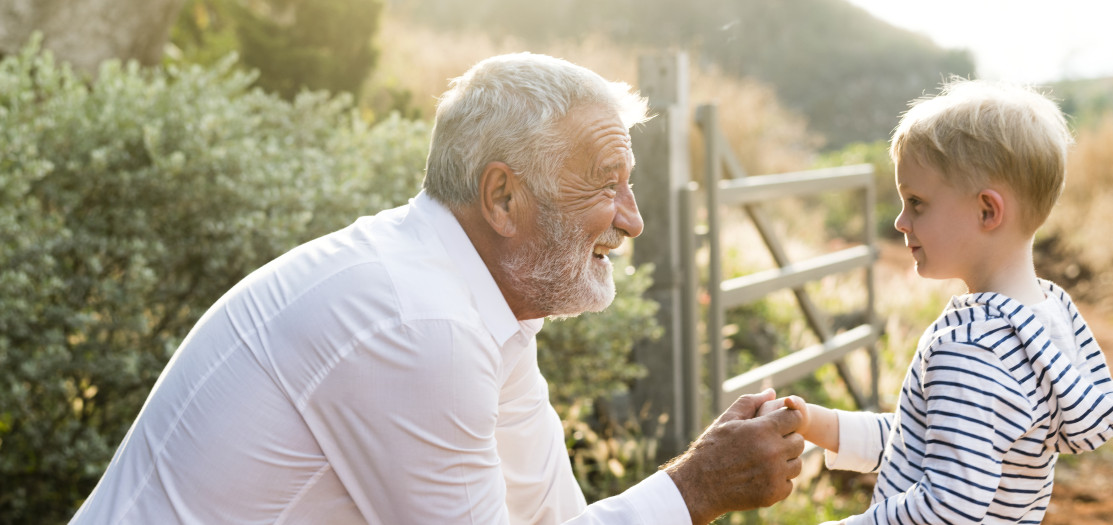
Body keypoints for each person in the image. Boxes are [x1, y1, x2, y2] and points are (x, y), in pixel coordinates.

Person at [69, 53, 806, 525]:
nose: (633, 220)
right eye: (605, 185)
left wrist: (694, 487)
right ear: (503, 198)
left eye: (631, 185)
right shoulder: (418, 322)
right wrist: (695, 488)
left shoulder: (480, 305)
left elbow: (550, 519)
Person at [764, 79, 1113, 524]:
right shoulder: (1045, 320)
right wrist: (816, 424)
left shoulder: (971, 347)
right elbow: (923, 441)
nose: (901, 222)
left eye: (917, 203)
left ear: (987, 211)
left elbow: (947, 507)